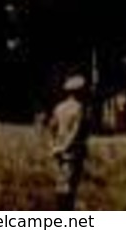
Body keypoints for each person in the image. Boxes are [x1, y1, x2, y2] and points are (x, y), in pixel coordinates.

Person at [46, 75, 90, 210]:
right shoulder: (79, 109)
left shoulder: (59, 108)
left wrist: (54, 146)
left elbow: (51, 127)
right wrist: (65, 147)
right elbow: (75, 133)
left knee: (61, 184)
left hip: (59, 152)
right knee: (70, 187)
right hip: (73, 153)